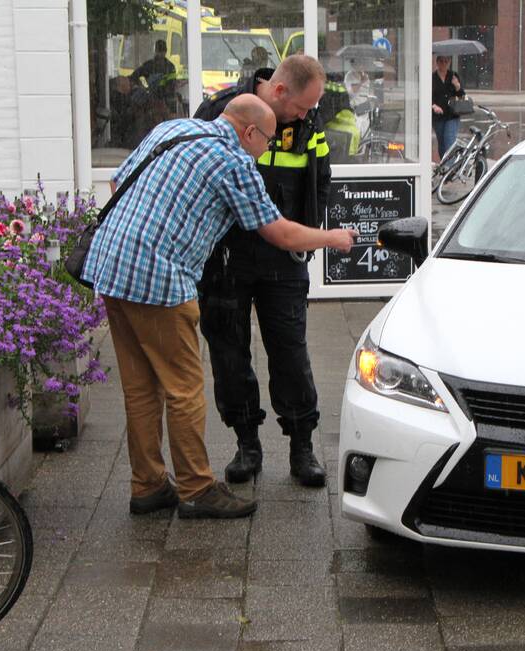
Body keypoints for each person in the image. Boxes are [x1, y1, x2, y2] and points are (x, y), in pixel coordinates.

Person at [81, 94, 357, 519]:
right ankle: (196, 488)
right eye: (267, 140)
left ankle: (148, 485)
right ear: (248, 132)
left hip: (110, 266)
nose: (268, 149)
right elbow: (279, 233)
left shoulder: (172, 129)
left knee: (140, 388)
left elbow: (120, 182)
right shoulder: (235, 163)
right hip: (158, 281)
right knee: (184, 389)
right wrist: (332, 238)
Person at [194, 55, 336, 489]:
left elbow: (322, 184)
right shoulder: (221, 111)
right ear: (278, 91)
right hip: (225, 261)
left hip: (283, 261)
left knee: (291, 354)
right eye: (301, 106)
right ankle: (246, 444)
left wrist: (310, 237)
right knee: (229, 354)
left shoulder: (309, 127)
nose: (306, 114)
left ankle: (302, 446)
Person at [431, 54, 465, 158]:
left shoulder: (454, 76)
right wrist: (433, 106)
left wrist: (457, 86)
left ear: (449, 62)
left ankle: (450, 170)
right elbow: (427, 95)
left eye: (446, 61)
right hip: (438, 116)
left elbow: (462, 96)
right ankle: (445, 168)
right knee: (442, 144)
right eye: (441, 61)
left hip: (452, 115)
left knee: (449, 141)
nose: (444, 64)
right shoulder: (432, 77)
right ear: (437, 62)